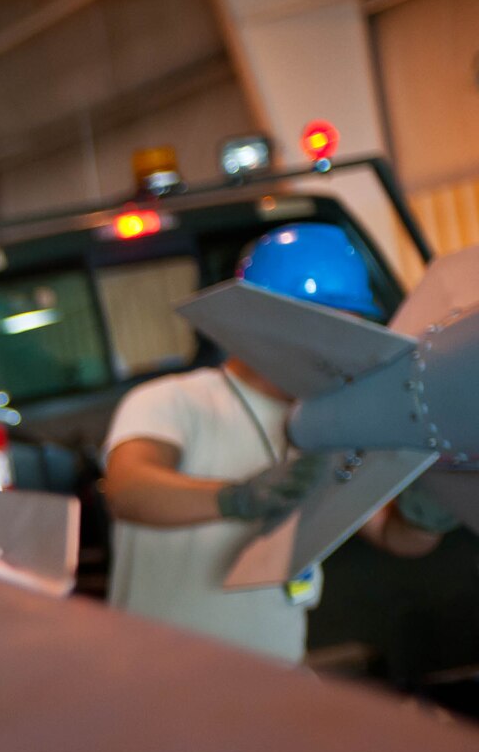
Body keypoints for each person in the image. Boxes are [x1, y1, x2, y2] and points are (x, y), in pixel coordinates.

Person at [101, 224, 445, 662]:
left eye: (349, 328)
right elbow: (129, 490)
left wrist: (428, 510)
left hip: (274, 681)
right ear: (258, 323)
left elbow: (396, 537)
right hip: (163, 678)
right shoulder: (170, 400)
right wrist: (239, 498)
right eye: (323, 325)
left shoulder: (333, 422)